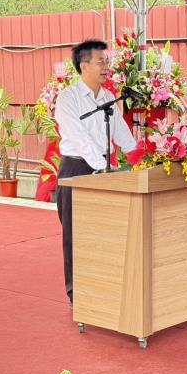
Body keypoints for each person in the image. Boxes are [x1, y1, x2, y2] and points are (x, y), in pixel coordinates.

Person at [55, 39, 136, 305]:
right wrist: (102, 166)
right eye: (101, 62)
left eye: (107, 62)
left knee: (103, 231)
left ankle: (101, 282)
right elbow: (77, 137)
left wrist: (141, 156)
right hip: (77, 167)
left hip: (104, 168)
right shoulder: (68, 99)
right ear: (84, 65)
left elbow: (122, 133)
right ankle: (76, 292)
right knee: (75, 233)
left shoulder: (108, 97)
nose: (106, 67)